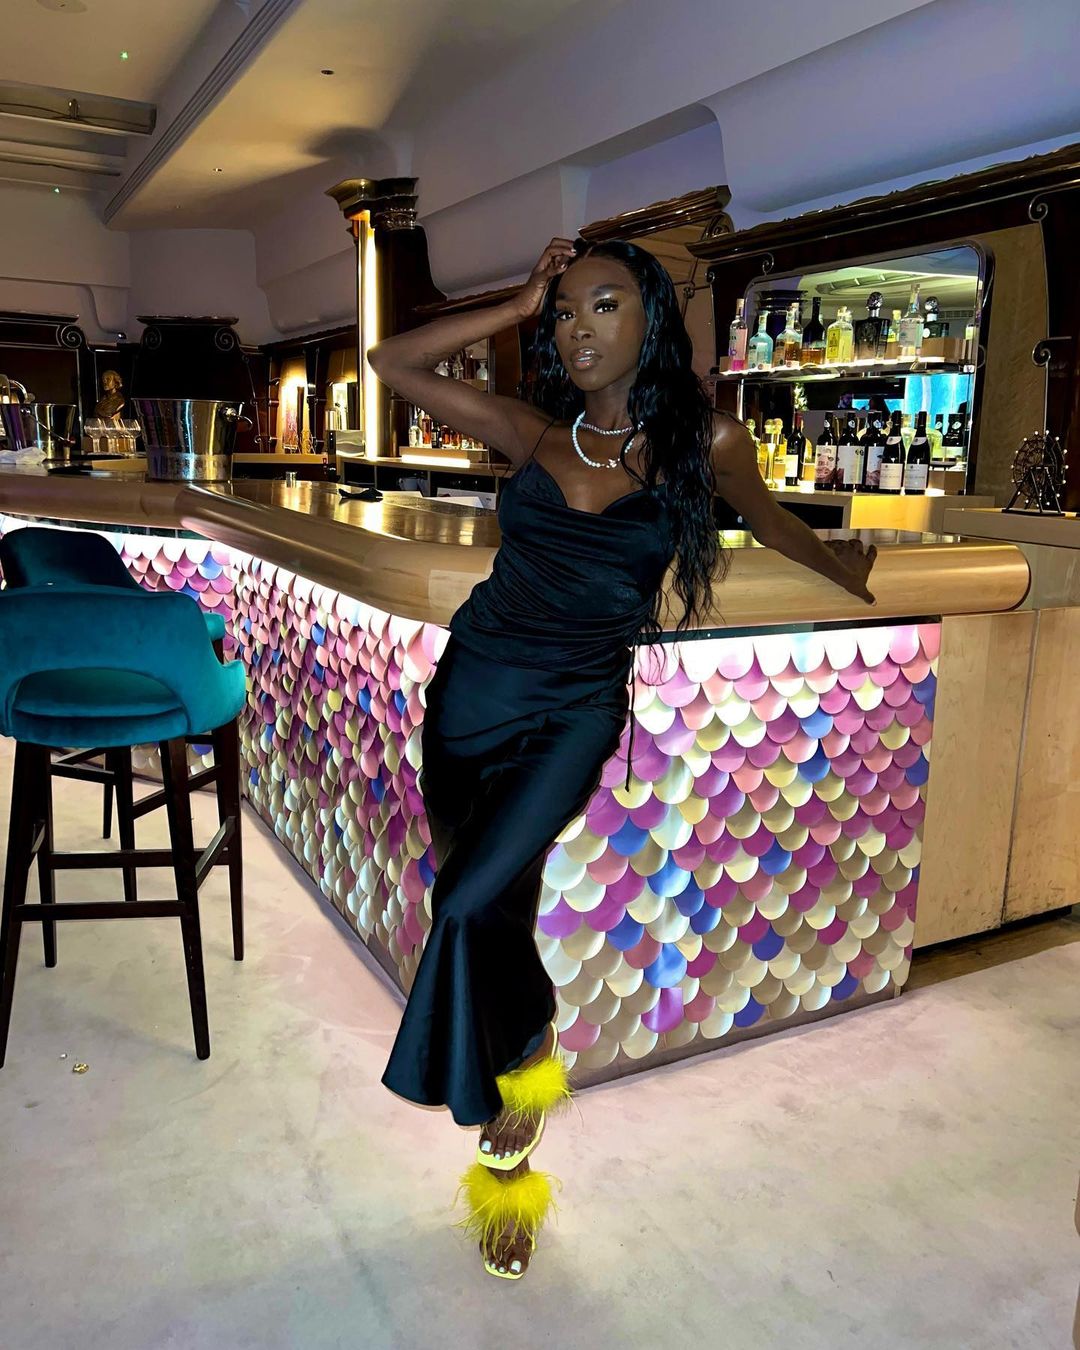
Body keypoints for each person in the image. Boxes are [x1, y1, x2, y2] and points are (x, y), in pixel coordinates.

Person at [369, 237, 876, 1281]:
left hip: (573, 711)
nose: (577, 329)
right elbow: (393, 364)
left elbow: (775, 524)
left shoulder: (707, 441)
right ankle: (509, 1156)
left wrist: (847, 567)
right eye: (563, 312)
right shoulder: (531, 430)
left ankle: (523, 1060)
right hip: (470, 696)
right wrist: (512, 301)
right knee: (491, 911)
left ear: (650, 316)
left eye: (602, 305)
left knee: (462, 907)